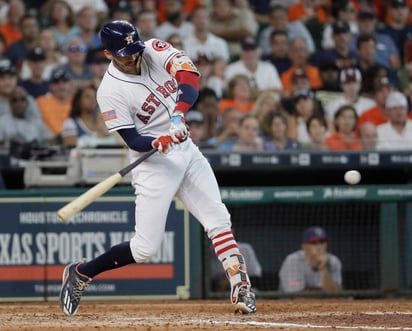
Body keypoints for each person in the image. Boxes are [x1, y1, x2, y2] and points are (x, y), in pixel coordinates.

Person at [59, 20, 256, 316]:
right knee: (144, 248)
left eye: (133, 49)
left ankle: (241, 287)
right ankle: (82, 272)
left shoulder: (152, 49)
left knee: (218, 219)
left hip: (186, 150)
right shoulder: (109, 91)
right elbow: (132, 138)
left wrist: (178, 115)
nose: (133, 56)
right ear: (108, 54)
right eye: (124, 53)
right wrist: (156, 140)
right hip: (153, 164)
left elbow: (189, 76)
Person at [278, 226, 342, 293]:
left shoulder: (334, 261)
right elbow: (294, 295)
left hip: (323, 302)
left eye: (322, 242)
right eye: (314, 243)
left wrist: (323, 269)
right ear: (304, 247)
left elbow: (335, 293)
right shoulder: (292, 261)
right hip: (290, 303)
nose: (319, 246)